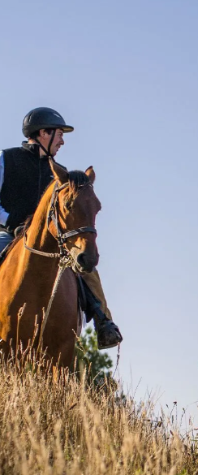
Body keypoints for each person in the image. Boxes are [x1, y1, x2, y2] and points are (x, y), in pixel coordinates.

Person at [0, 107, 122, 348]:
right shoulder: (6, 159)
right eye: (59, 134)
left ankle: (104, 321)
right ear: (43, 133)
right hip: (8, 234)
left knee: (86, 266)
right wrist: (11, 222)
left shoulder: (60, 175)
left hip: (52, 239)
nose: (62, 141)